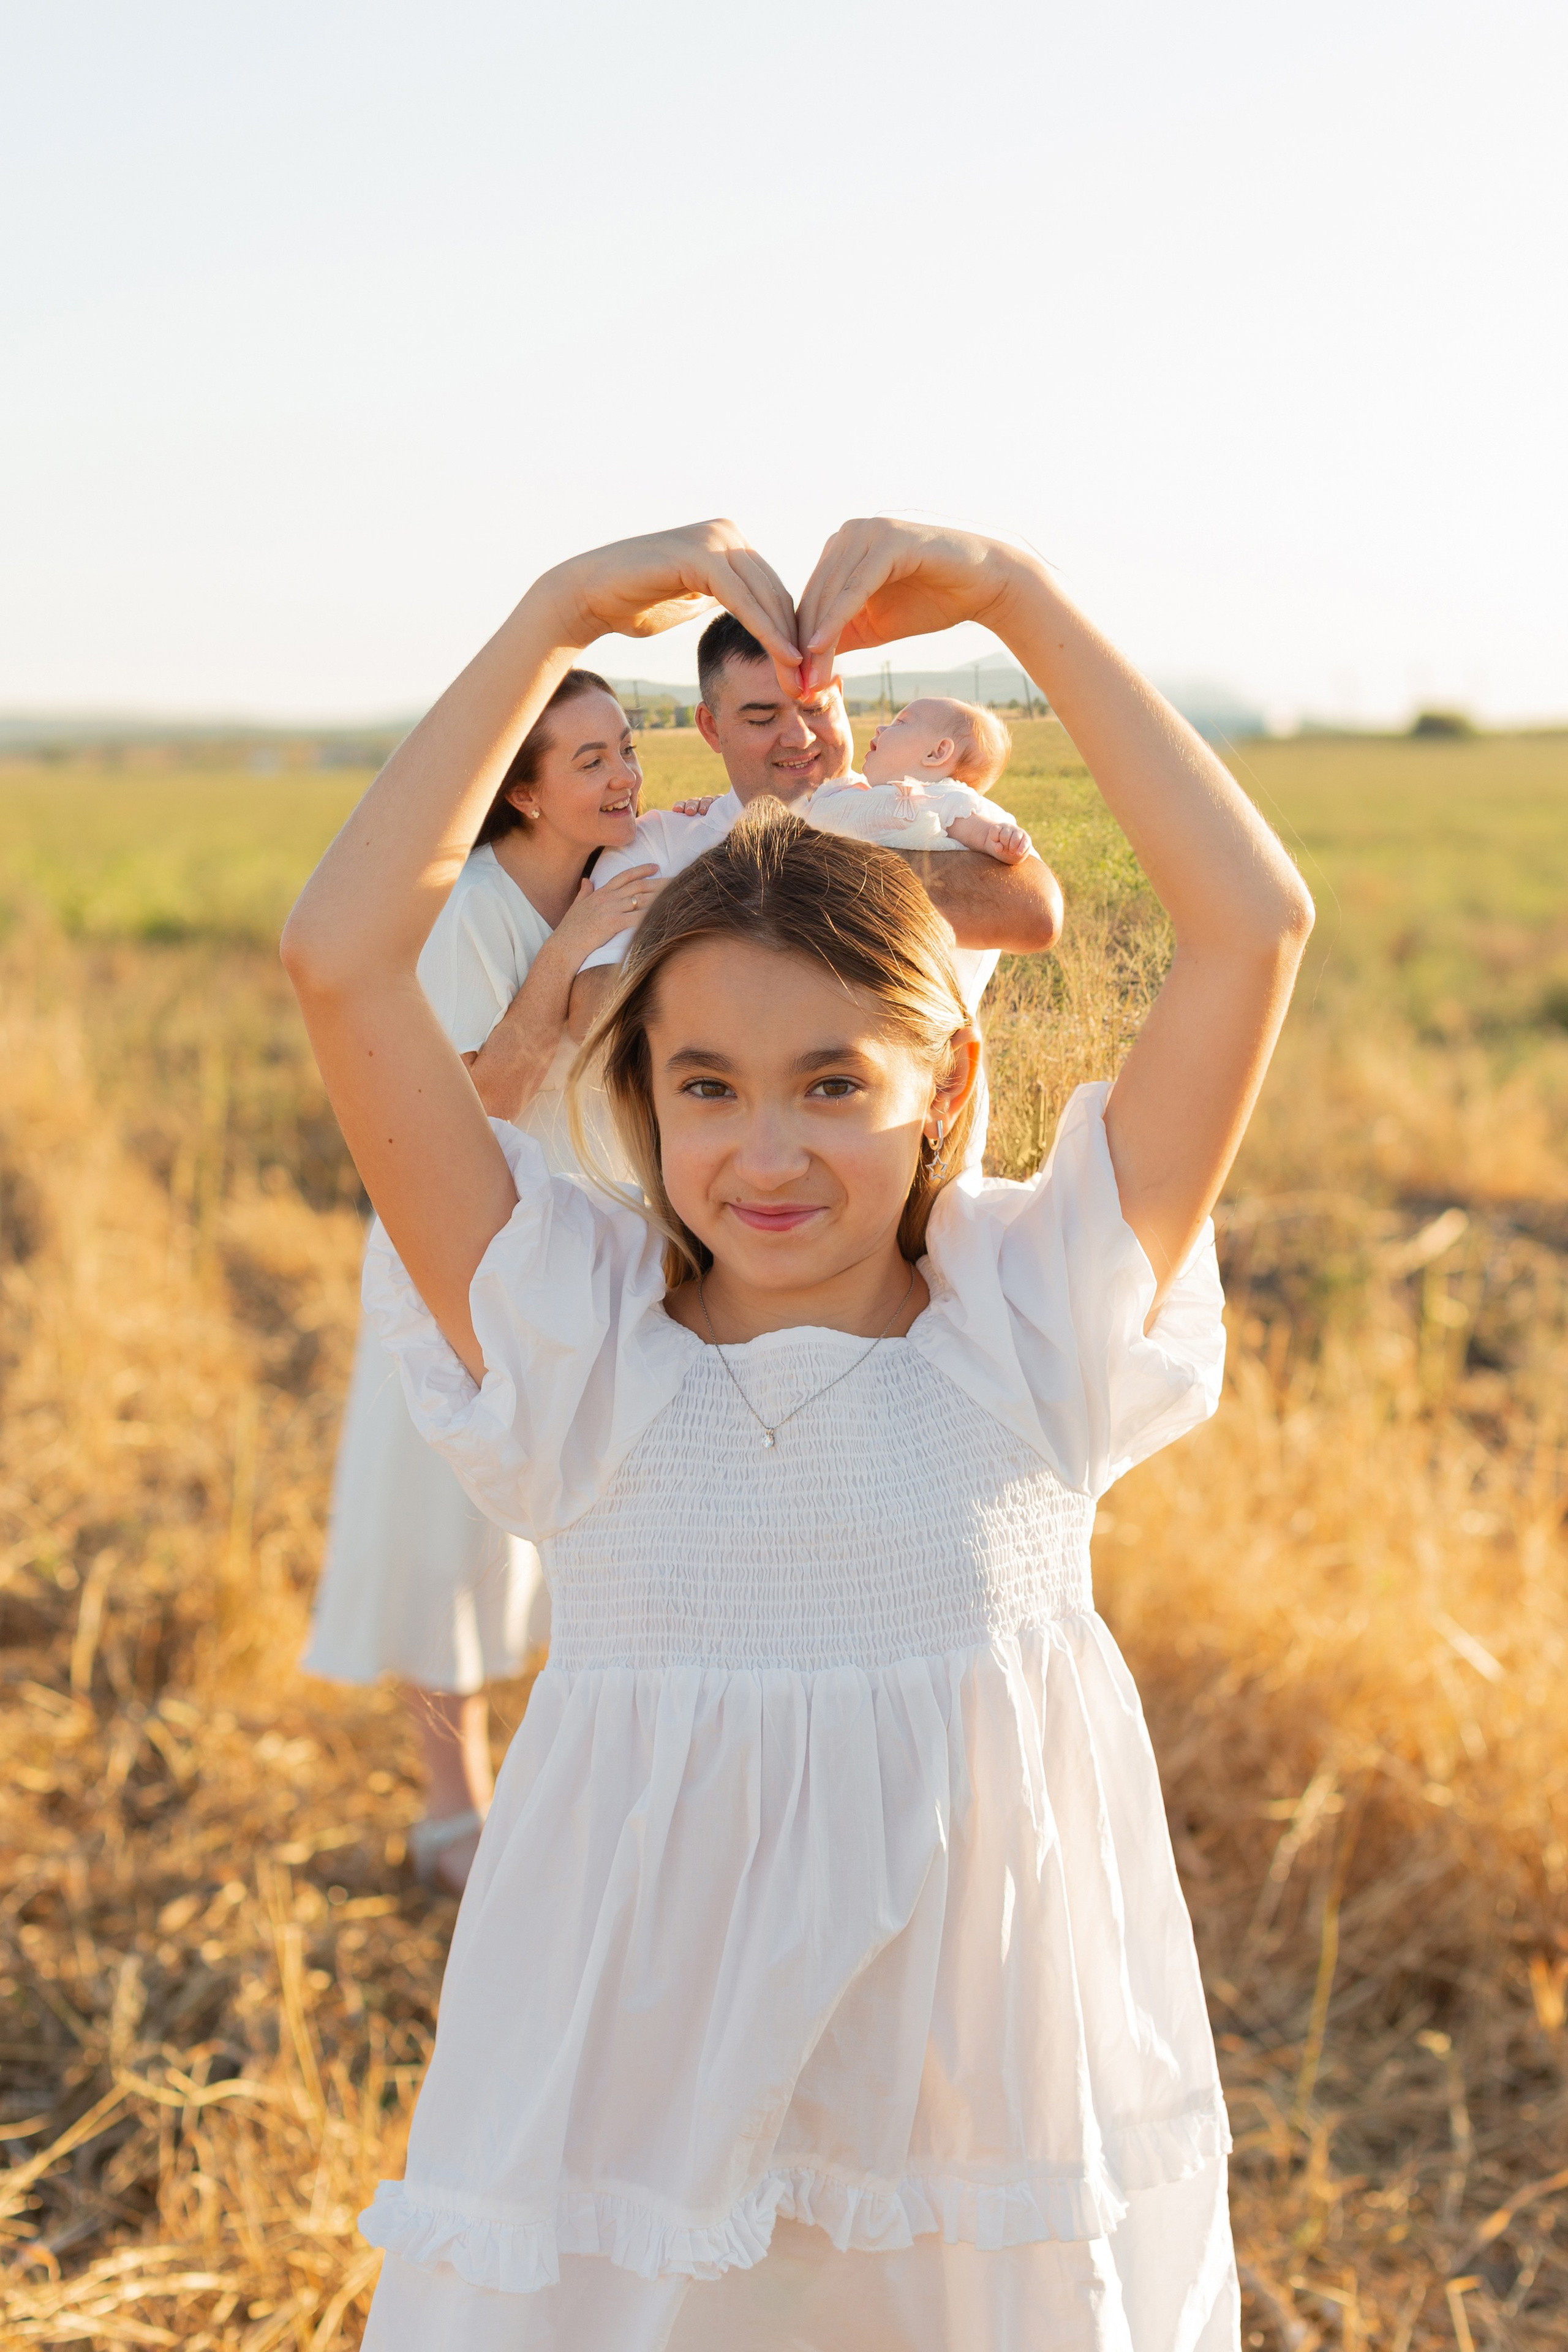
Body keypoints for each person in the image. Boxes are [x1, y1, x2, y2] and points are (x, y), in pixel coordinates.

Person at [280, 514, 1314, 2350]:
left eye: (835, 1083)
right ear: (640, 1092)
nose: (765, 1150)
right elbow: (342, 961)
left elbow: (1253, 923)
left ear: (949, 1088)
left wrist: (1012, 598)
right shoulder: (577, 1348)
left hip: (972, 2122)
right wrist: (551, 620)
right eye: (707, 1085)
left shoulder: (1031, 1316)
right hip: (642, 2138)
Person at [301, 666, 661, 1895]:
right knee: (438, 1522)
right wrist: (568, 955)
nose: (623, 775)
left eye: (626, 748)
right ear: (521, 791)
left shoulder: (635, 876)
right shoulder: (466, 913)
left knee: (585, 1519)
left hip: (586, 1231)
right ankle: (451, 1802)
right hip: (457, 1243)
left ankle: (584, 1792)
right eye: (591, 761)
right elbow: (479, 1104)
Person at [809, 694, 1031, 863]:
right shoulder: (858, 791)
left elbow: (977, 830)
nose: (880, 728)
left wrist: (1002, 840)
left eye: (899, 723)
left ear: (936, 753)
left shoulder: (940, 797)